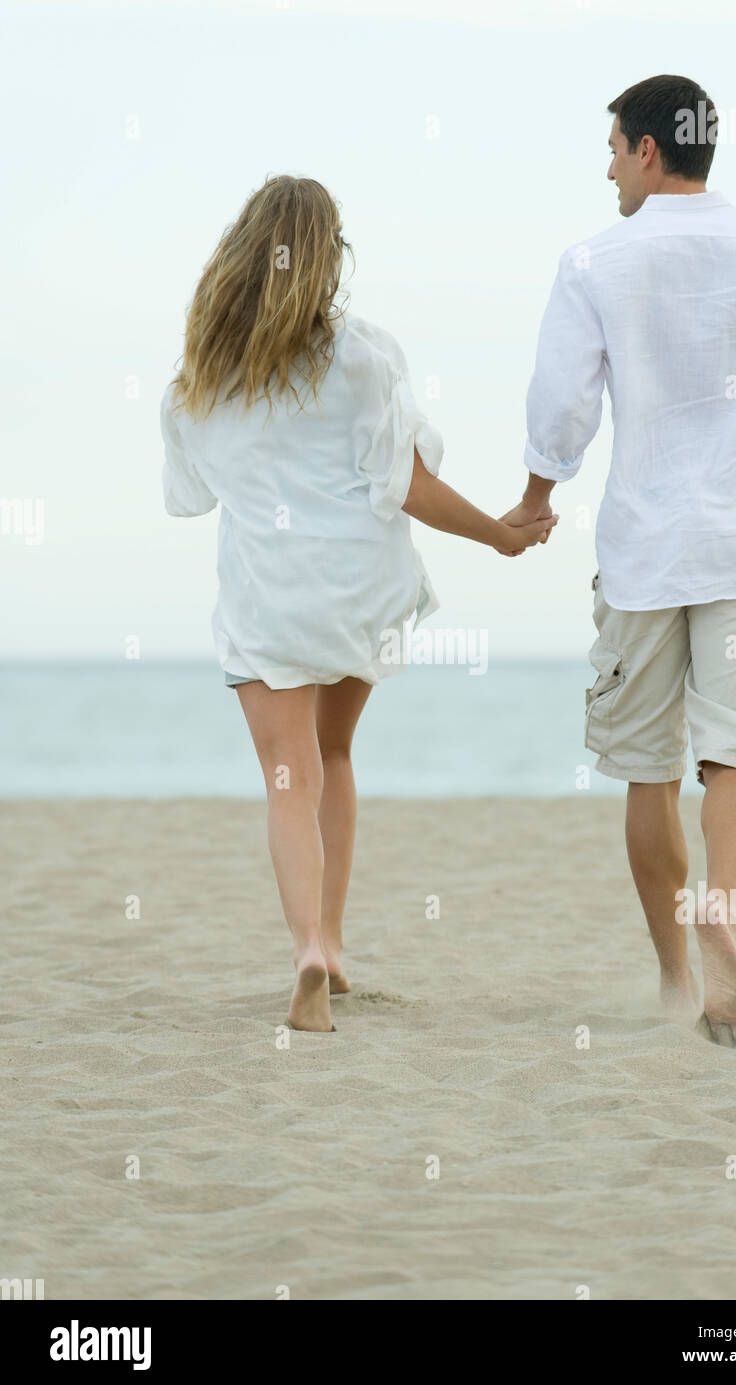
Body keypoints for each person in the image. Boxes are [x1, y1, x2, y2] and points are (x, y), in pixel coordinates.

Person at [502, 75, 736, 1046]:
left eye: (614, 147)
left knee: (646, 766)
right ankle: (725, 904)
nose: (608, 166)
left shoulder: (596, 261)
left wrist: (537, 498)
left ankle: (673, 976)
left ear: (651, 151)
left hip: (646, 547)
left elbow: (562, 403)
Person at [161, 175, 557, 1032]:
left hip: (268, 600)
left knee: (285, 779)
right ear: (326, 256)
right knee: (334, 758)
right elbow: (406, 484)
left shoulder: (203, 371)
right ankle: (333, 948)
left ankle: (304, 947)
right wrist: (499, 532)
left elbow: (192, 491)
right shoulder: (364, 353)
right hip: (356, 593)